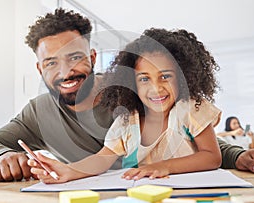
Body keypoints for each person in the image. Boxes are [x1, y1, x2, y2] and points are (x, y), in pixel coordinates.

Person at [0, 8, 254, 182]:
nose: (65, 72)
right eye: (51, 62)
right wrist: (4, 156)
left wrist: (237, 155)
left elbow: (189, 140)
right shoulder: (39, 112)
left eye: (75, 57)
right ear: (39, 68)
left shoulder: (129, 96)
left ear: (93, 56)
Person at [28, 28, 223, 183]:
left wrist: (164, 166)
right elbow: (102, 159)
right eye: (144, 79)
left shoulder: (190, 109)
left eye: (165, 76)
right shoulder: (127, 120)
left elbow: (212, 157)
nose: (156, 88)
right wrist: (68, 171)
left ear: (182, 77)